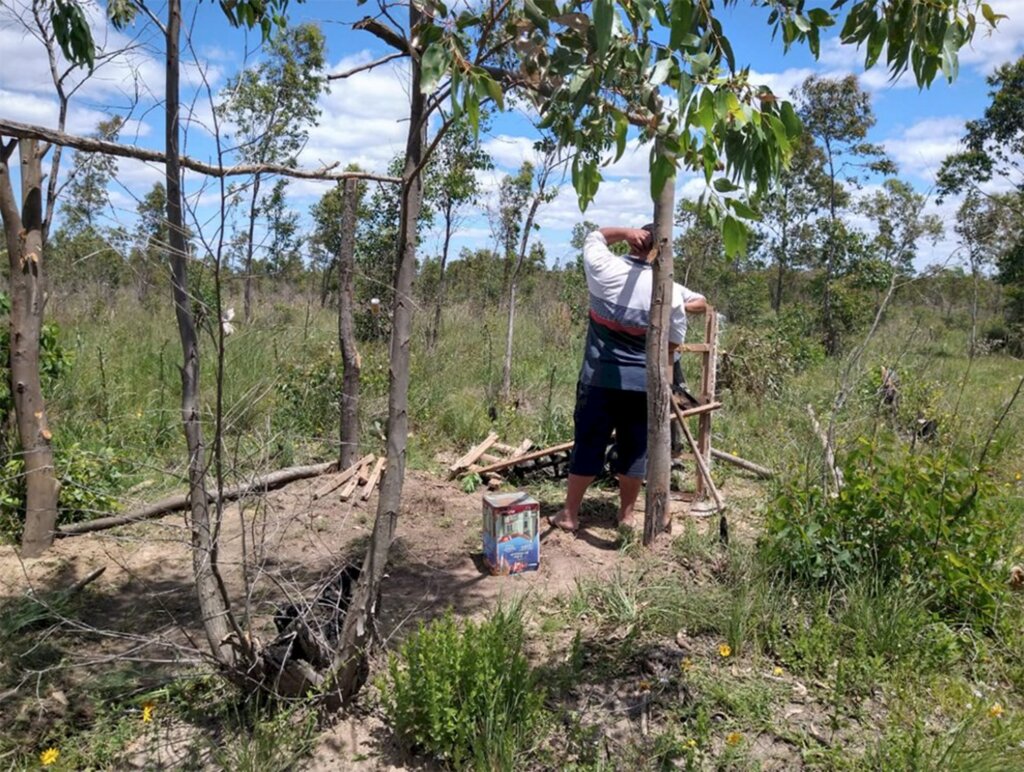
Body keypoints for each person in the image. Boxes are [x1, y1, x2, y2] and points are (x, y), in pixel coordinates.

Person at [548, 224, 706, 533]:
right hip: (642, 386)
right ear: (661, 251)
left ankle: (569, 514)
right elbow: (671, 348)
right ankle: (627, 516)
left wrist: (623, 231)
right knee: (635, 449)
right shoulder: (669, 293)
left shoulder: (605, 268)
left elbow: (594, 236)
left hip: (599, 378)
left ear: (634, 243)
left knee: (588, 444)